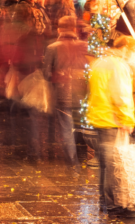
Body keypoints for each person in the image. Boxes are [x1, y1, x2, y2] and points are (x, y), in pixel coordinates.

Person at [87, 37, 135, 218]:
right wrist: (127, 120)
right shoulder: (118, 66)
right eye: (132, 51)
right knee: (112, 166)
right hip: (113, 120)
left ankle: (104, 203)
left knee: (105, 166)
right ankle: (113, 206)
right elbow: (121, 94)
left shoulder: (100, 62)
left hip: (100, 118)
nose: (132, 55)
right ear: (125, 49)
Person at [42, 16, 87, 166]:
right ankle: (83, 155)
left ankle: (72, 159)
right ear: (74, 29)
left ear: (59, 29)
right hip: (83, 92)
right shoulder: (84, 46)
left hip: (63, 92)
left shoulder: (52, 48)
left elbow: (46, 74)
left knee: (66, 127)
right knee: (81, 125)